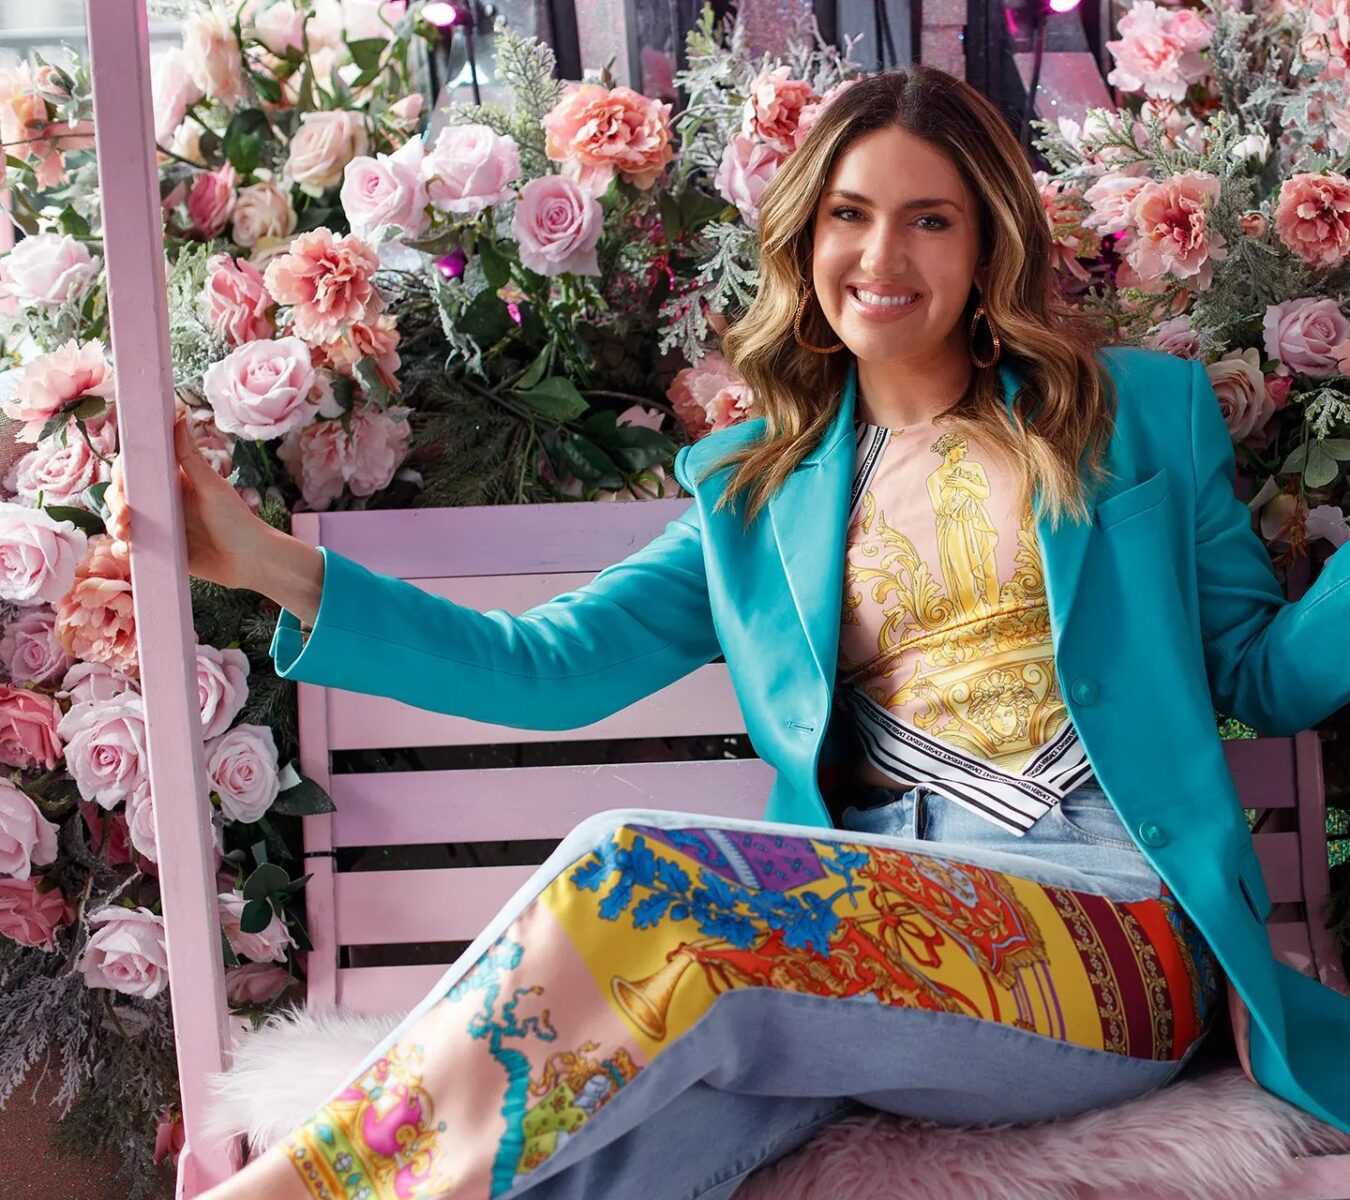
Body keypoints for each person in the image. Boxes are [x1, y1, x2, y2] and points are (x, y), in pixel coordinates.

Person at [110, 66, 1350, 1200]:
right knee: (566, 1164)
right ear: (807, 234)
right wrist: (264, 563)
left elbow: (1265, 676)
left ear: (985, 248)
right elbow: (544, 670)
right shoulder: (754, 490)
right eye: (851, 214)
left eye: (931, 218)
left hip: (1109, 935)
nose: (884, 252)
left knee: (647, 872)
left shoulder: (1136, 414)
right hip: (842, 952)